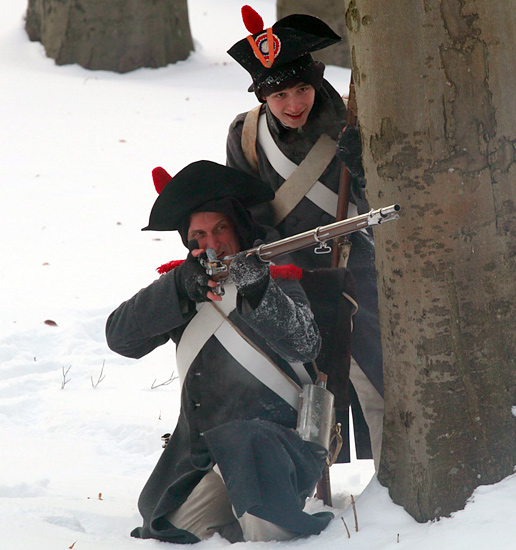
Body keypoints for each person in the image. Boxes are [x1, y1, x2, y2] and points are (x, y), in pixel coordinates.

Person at [105, 160, 333, 543]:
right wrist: (177, 286)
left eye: (220, 229)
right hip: (205, 458)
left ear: (238, 228)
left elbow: (305, 343)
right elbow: (120, 338)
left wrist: (259, 289)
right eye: (199, 235)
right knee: (176, 528)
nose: (211, 244)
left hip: (274, 453)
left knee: (267, 518)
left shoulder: (275, 276)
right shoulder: (184, 285)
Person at [225, 7, 384, 465]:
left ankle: (391, 491)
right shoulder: (246, 134)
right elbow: (249, 212)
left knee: (373, 379)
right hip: (287, 280)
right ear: (263, 95)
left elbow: (385, 203)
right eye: (280, 95)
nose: (294, 104)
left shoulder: (353, 123)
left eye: (302, 89)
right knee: (289, 388)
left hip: (357, 273)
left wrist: (364, 167)